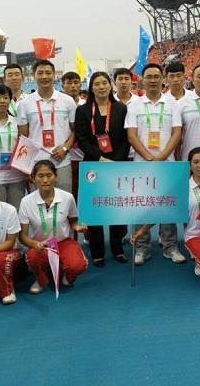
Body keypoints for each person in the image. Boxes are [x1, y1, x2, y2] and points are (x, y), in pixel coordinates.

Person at [134, 147, 200, 282]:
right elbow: (163, 212)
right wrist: (142, 230)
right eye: (196, 162)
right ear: (190, 165)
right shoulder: (183, 187)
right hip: (195, 235)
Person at [124, 63, 186, 266]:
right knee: (142, 205)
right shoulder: (134, 105)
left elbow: (177, 132)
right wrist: (149, 158)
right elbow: (131, 135)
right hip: (142, 164)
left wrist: (162, 156)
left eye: (156, 76)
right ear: (142, 80)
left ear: (162, 79)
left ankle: (170, 246)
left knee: (167, 204)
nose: (152, 80)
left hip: (167, 163)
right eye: (148, 76)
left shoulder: (172, 104)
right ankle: (142, 248)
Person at [75, 72, 130, 266]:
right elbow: (81, 140)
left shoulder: (121, 108)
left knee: (116, 208)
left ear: (110, 85)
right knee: (95, 209)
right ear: (91, 88)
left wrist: (116, 161)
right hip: (93, 164)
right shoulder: (83, 111)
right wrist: (100, 158)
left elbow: (126, 139)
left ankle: (117, 249)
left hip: (117, 165)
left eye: (104, 83)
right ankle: (97, 251)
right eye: (97, 84)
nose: (101, 87)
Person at [18, 160, 88, 294]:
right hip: (41, 244)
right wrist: (34, 244)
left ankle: (68, 275)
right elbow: (23, 236)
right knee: (33, 258)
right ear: (33, 178)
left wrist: (77, 227)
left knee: (76, 265)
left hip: (64, 242)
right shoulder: (26, 202)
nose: (45, 180)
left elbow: (73, 220)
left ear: (56, 176)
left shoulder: (67, 197)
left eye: (49, 175)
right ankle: (41, 280)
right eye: (40, 176)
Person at [17, 59, 76, 193]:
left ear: (54, 75)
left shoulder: (68, 101)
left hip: (62, 162)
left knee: (64, 201)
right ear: (33, 75)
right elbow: (23, 137)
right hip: (36, 164)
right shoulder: (25, 104)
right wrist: (26, 167)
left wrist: (65, 148)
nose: (44, 76)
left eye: (48, 73)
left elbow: (75, 130)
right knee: (38, 203)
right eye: (40, 73)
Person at [61, 71, 86, 202]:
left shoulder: (87, 105)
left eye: (76, 83)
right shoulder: (58, 105)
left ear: (80, 85)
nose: (73, 86)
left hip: (84, 156)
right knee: (69, 194)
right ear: (62, 86)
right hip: (65, 156)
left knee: (85, 192)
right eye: (69, 83)